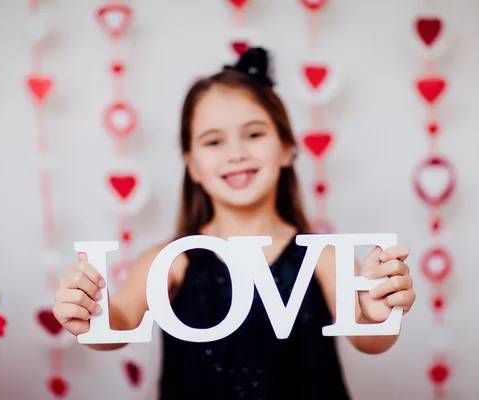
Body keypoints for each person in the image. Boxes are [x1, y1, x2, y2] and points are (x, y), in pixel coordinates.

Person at [52, 47, 416, 400]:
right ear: (191, 164)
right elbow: (118, 324)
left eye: (254, 134)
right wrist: (88, 311)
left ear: (288, 147)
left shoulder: (324, 258)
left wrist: (375, 312)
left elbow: (371, 340)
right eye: (213, 141)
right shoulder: (170, 262)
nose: (236, 153)